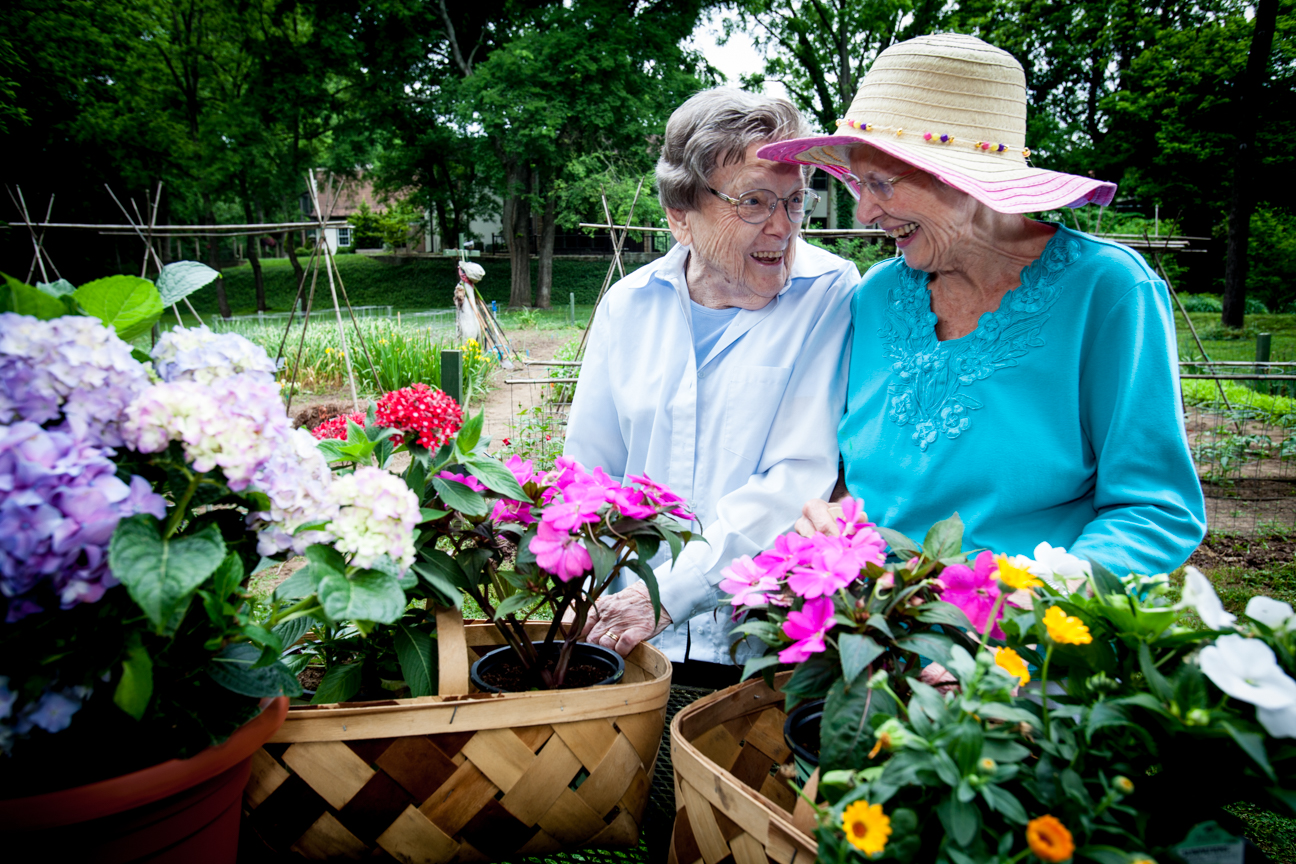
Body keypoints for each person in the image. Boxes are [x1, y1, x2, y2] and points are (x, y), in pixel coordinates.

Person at [760, 33, 1205, 575]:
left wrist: (1030, 605)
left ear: (964, 180)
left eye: (879, 182)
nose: (867, 210)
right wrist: (830, 513)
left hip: (1022, 639)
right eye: (856, 181)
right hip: (872, 627)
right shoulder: (876, 296)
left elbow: (1153, 509)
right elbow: (860, 474)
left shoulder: (1107, 292)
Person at [563, 88, 861, 684]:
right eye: (754, 202)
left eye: (795, 201)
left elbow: (797, 477)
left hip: (757, 645)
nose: (783, 227)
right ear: (681, 216)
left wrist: (669, 593)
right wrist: (573, 592)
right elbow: (589, 469)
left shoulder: (829, 292)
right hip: (628, 641)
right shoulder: (629, 305)